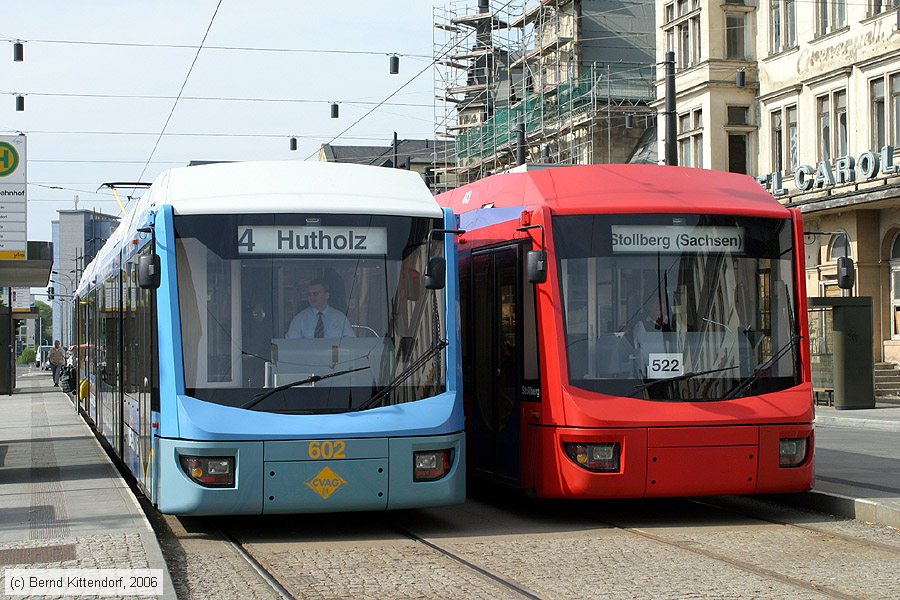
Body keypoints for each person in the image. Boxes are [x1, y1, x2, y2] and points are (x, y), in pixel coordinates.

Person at [286, 279, 354, 339]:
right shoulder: (299, 319)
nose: (311, 297)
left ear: (327, 295)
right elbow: (291, 345)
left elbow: (351, 344)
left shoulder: (340, 318)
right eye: (309, 294)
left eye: (315, 294)